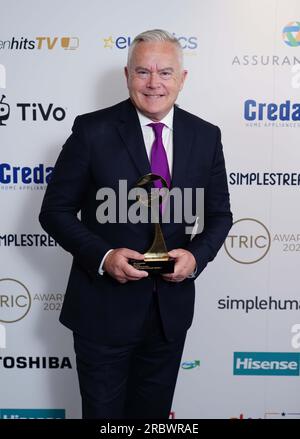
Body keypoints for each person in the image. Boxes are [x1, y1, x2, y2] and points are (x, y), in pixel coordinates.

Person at [39, 29, 232, 419]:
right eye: (143, 72)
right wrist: (104, 255)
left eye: (164, 72)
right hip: (102, 311)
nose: (154, 83)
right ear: (127, 75)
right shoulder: (91, 131)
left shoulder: (206, 136)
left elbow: (220, 215)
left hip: (169, 315)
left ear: (182, 78)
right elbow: (54, 211)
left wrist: (196, 257)